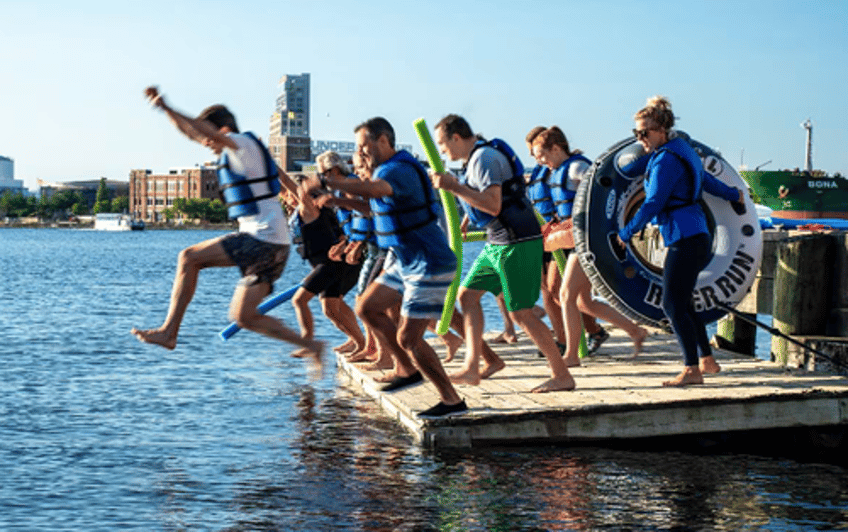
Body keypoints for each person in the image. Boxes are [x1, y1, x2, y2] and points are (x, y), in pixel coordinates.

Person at [131, 87, 323, 364]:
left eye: (210, 137)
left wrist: (167, 103)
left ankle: (169, 332)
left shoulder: (241, 143)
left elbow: (204, 132)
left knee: (188, 258)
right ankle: (310, 345)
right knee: (243, 317)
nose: (206, 144)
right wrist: (165, 110)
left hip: (262, 240)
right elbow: (191, 132)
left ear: (223, 129)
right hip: (275, 246)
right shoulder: (240, 152)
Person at [322, 117, 467, 418]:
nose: (361, 153)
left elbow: (374, 190)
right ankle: (405, 368)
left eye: (365, 146)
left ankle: (452, 401)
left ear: (384, 141)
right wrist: (337, 200)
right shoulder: (386, 172)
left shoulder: (397, 170)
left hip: (429, 262)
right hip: (405, 261)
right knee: (366, 307)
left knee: (408, 338)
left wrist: (329, 182)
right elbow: (374, 208)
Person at [431, 114, 575, 393]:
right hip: (497, 242)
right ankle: (474, 367)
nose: (442, 151)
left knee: (521, 313)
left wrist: (452, 186)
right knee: (467, 296)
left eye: (443, 144)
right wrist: (465, 218)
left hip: (517, 241)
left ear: (456, 137)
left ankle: (562, 375)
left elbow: (493, 205)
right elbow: (480, 202)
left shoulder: (485, 158)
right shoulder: (472, 160)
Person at [615, 96, 745, 386]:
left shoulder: (666, 160)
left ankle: (691, 369)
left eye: (645, 132)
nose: (640, 138)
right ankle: (707, 360)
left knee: (672, 305)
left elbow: (653, 203)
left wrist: (627, 232)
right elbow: (707, 183)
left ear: (662, 129)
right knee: (684, 303)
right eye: (636, 133)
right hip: (696, 235)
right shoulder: (683, 151)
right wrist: (733, 194)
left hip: (684, 238)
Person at [533, 127, 648, 367]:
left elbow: (604, 192)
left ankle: (572, 356)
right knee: (582, 301)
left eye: (542, 155)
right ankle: (635, 331)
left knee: (565, 295)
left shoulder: (577, 168)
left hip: (590, 241)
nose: (540, 162)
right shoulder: (557, 172)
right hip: (578, 240)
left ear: (556, 149)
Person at [288, 175, 365, 358]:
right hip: (328, 264)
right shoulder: (304, 210)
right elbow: (287, 191)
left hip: (329, 265)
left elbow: (289, 184)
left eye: (293, 194)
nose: (286, 197)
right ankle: (358, 341)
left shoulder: (310, 209)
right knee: (331, 307)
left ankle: (309, 342)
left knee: (299, 300)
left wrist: (265, 159)